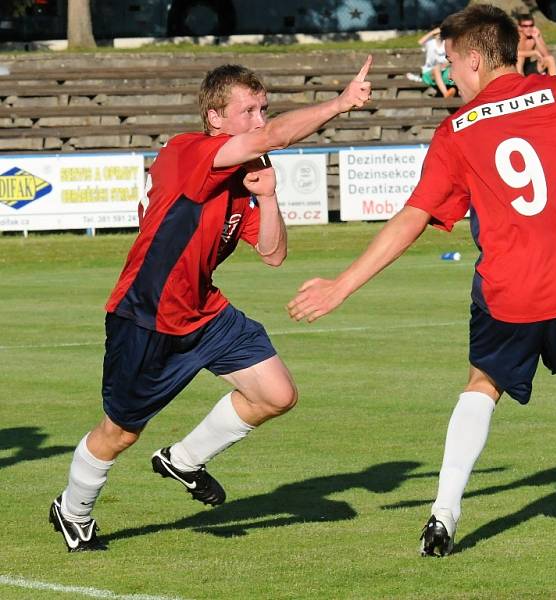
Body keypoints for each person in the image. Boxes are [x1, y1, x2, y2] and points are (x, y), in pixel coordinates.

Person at [287, 4, 556, 556]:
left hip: (508, 291)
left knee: (482, 386)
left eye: (453, 63)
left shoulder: (457, 131)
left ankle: (443, 514)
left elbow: (412, 217)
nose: (452, 75)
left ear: (477, 58)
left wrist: (341, 286)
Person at [49, 58, 373, 553]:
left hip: (204, 311)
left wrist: (268, 199)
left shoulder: (244, 173)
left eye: (265, 109)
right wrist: (342, 103)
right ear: (216, 117)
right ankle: (73, 511)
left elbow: (273, 254)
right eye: (249, 110)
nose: (260, 120)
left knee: (276, 394)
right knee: (118, 433)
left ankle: (184, 459)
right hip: (148, 314)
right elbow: (272, 140)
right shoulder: (189, 151)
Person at [417, 26, 457, 98]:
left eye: (440, 33)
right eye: (437, 33)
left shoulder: (446, 43)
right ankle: (446, 93)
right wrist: (432, 32)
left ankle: (461, 91)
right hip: (430, 72)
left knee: (455, 69)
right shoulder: (430, 43)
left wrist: (446, 64)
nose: (439, 35)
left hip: (444, 70)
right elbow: (420, 42)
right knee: (436, 68)